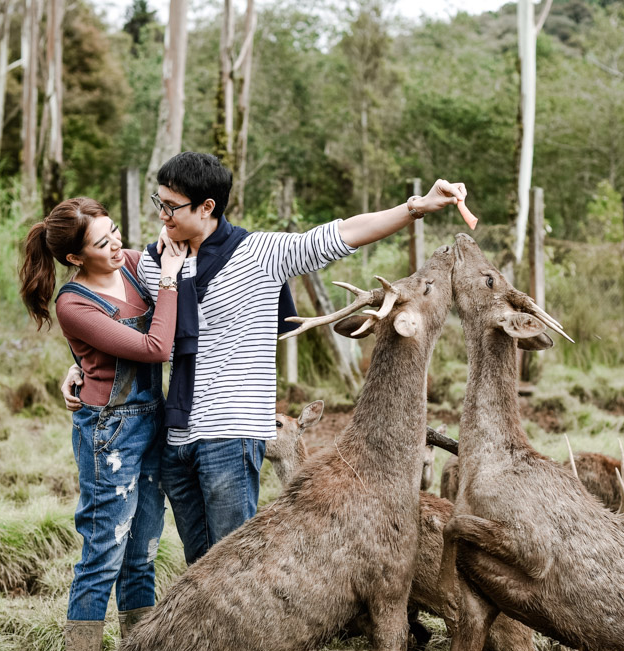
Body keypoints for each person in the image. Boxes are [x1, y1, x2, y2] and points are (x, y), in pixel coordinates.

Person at [63, 152, 467, 565]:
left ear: (206, 208)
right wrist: (82, 367)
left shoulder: (260, 253)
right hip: (176, 437)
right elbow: (118, 316)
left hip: (232, 434)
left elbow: (344, 233)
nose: (162, 214)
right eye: (159, 202)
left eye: (171, 206)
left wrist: (416, 206)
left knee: (234, 567)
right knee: (198, 568)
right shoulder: (157, 261)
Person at [20, 197, 186, 651]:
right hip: (108, 434)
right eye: (101, 242)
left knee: (141, 555)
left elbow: (172, 245)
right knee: (102, 556)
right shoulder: (75, 303)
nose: (116, 244)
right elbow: (156, 348)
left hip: (152, 423)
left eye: (115, 232)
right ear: (75, 258)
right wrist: (171, 282)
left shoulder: (135, 266)